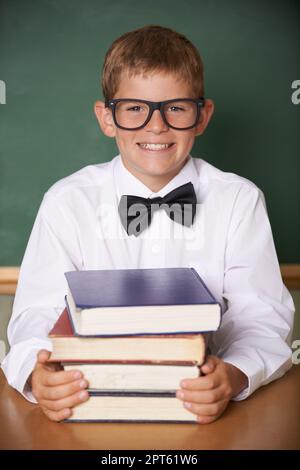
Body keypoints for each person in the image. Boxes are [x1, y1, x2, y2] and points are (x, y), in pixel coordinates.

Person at [2, 25, 294, 423]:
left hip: (204, 409)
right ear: (107, 118)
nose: (156, 126)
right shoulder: (67, 202)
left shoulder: (238, 200)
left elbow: (260, 318)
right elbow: (36, 314)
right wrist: (39, 378)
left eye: (175, 107)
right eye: (135, 108)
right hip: (89, 405)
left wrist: (233, 374)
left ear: (202, 116)